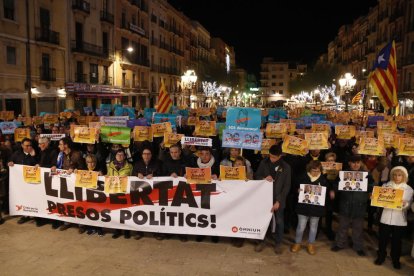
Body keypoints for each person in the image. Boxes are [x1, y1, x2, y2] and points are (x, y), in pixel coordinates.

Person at [332, 155, 373, 256]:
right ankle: (339, 244)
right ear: (350, 163)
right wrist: (333, 191)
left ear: (360, 163)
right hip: (345, 205)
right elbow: (336, 184)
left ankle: (358, 246)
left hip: (359, 206)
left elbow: (372, 186)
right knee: (342, 226)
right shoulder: (343, 174)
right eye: (353, 162)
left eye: (358, 162)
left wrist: (371, 192)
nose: (356, 165)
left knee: (358, 228)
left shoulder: (367, 175)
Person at [254, 144, 291, 254]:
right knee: (263, 220)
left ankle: (278, 243)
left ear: (280, 156)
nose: (271, 158)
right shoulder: (264, 162)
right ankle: (261, 241)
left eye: (274, 157)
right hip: (264, 198)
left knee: (279, 221)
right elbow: (256, 176)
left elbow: (287, 186)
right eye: (270, 156)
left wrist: (279, 201)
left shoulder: (286, 167)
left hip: (278, 199)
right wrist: (264, 178)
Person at [374, 166, 413, 269]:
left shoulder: (408, 189)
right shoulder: (386, 186)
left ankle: (395, 259)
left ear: (404, 176)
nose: (397, 177)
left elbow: (408, 206)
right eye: (395, 175)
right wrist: (375, 197)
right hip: (386, 217)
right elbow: (379, 200)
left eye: (399, 175)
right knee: (383, 239)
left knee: (397, 241)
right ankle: (381, 256)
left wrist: (405, 203)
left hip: (399, 219)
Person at [291, 160, 332, 255]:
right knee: (301, 226)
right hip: (303, 207)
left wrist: (329, 193)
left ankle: (311, 244)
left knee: (314, 227)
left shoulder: (324, 180)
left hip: (316, 209)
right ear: (309, 169)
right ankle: (297, 243)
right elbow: (293, 188)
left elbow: (327, 193)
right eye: (314, 170)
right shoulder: (302, 177)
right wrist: (297, 190)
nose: (316, 173)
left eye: (318, 171)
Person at [8, 138, 38, 224]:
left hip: (32, 182)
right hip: (20, 182)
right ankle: (24, 215)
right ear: (22, 145)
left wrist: (34, 156)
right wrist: (9, 163)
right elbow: (9, 161)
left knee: (32, 198)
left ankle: (34, 215)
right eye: (27, 145)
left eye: (30, 145)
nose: (29, 147)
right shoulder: (16, 154)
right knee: (23, 198)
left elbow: (39, 163)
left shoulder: (35, 153)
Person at [107, 149, 132, 239]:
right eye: (118, 154)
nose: (120, 156)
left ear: (125, 156)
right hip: (114, 191)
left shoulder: (129, 166)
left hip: (125, 192)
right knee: (115, 212)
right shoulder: (110, 165)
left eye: (122, 155)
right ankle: (117, 231)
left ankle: (126, 231)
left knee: (126, 212)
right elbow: (108, 175)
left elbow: (133, 178)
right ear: (115, 156)